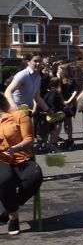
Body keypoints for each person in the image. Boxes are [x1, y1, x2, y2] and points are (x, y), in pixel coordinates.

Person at [0, 93, 43, 235]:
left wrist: (15, 148)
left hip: (21, 159)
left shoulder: (19, 115)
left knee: (35, 176)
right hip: (1, 160)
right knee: (4, 179)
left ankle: (8, 209)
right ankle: (14, 218)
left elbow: (29, 140)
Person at [57, 64, 79, 148]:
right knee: (59, 121)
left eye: (60, 69)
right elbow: (58, 90)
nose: (58, 71)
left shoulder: (71, 80)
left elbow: (75, 91)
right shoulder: (58, 80)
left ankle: (70, 138)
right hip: (60, 102)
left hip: (69, 102)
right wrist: (63, 100)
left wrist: (69, 101)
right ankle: (57, 137)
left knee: (68, 121)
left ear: (64, 70)